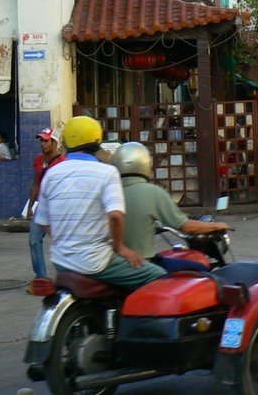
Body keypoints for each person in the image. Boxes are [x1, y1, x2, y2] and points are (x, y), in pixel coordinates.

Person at [35, 116, 165, 290]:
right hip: (95, 263)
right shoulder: (107, 172)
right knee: (159, 276)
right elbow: (116, 217)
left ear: (65, 142)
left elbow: (44, 222)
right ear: (97, 142)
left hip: (61, 263)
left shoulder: (52, 174)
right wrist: (121, 248)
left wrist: (67, 240)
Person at [114, 142, 230, 270]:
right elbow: (186, 227)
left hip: (114, 264)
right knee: (200, 269)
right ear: (145, 163)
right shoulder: (153, 192)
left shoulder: (110, 190)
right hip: (142, 263)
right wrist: (216, 225)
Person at [26, 127, 64, 280]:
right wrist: (30, 206)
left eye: (46, 140)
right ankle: (41, 277)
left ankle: (67, 277)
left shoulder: (63, 161)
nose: (42, 144)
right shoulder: (39, 160)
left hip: (59, 207)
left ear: (54, 142)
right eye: (41, 140)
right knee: (34, 241)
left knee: (62, 242)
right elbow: (36, 183)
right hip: (42, 206)